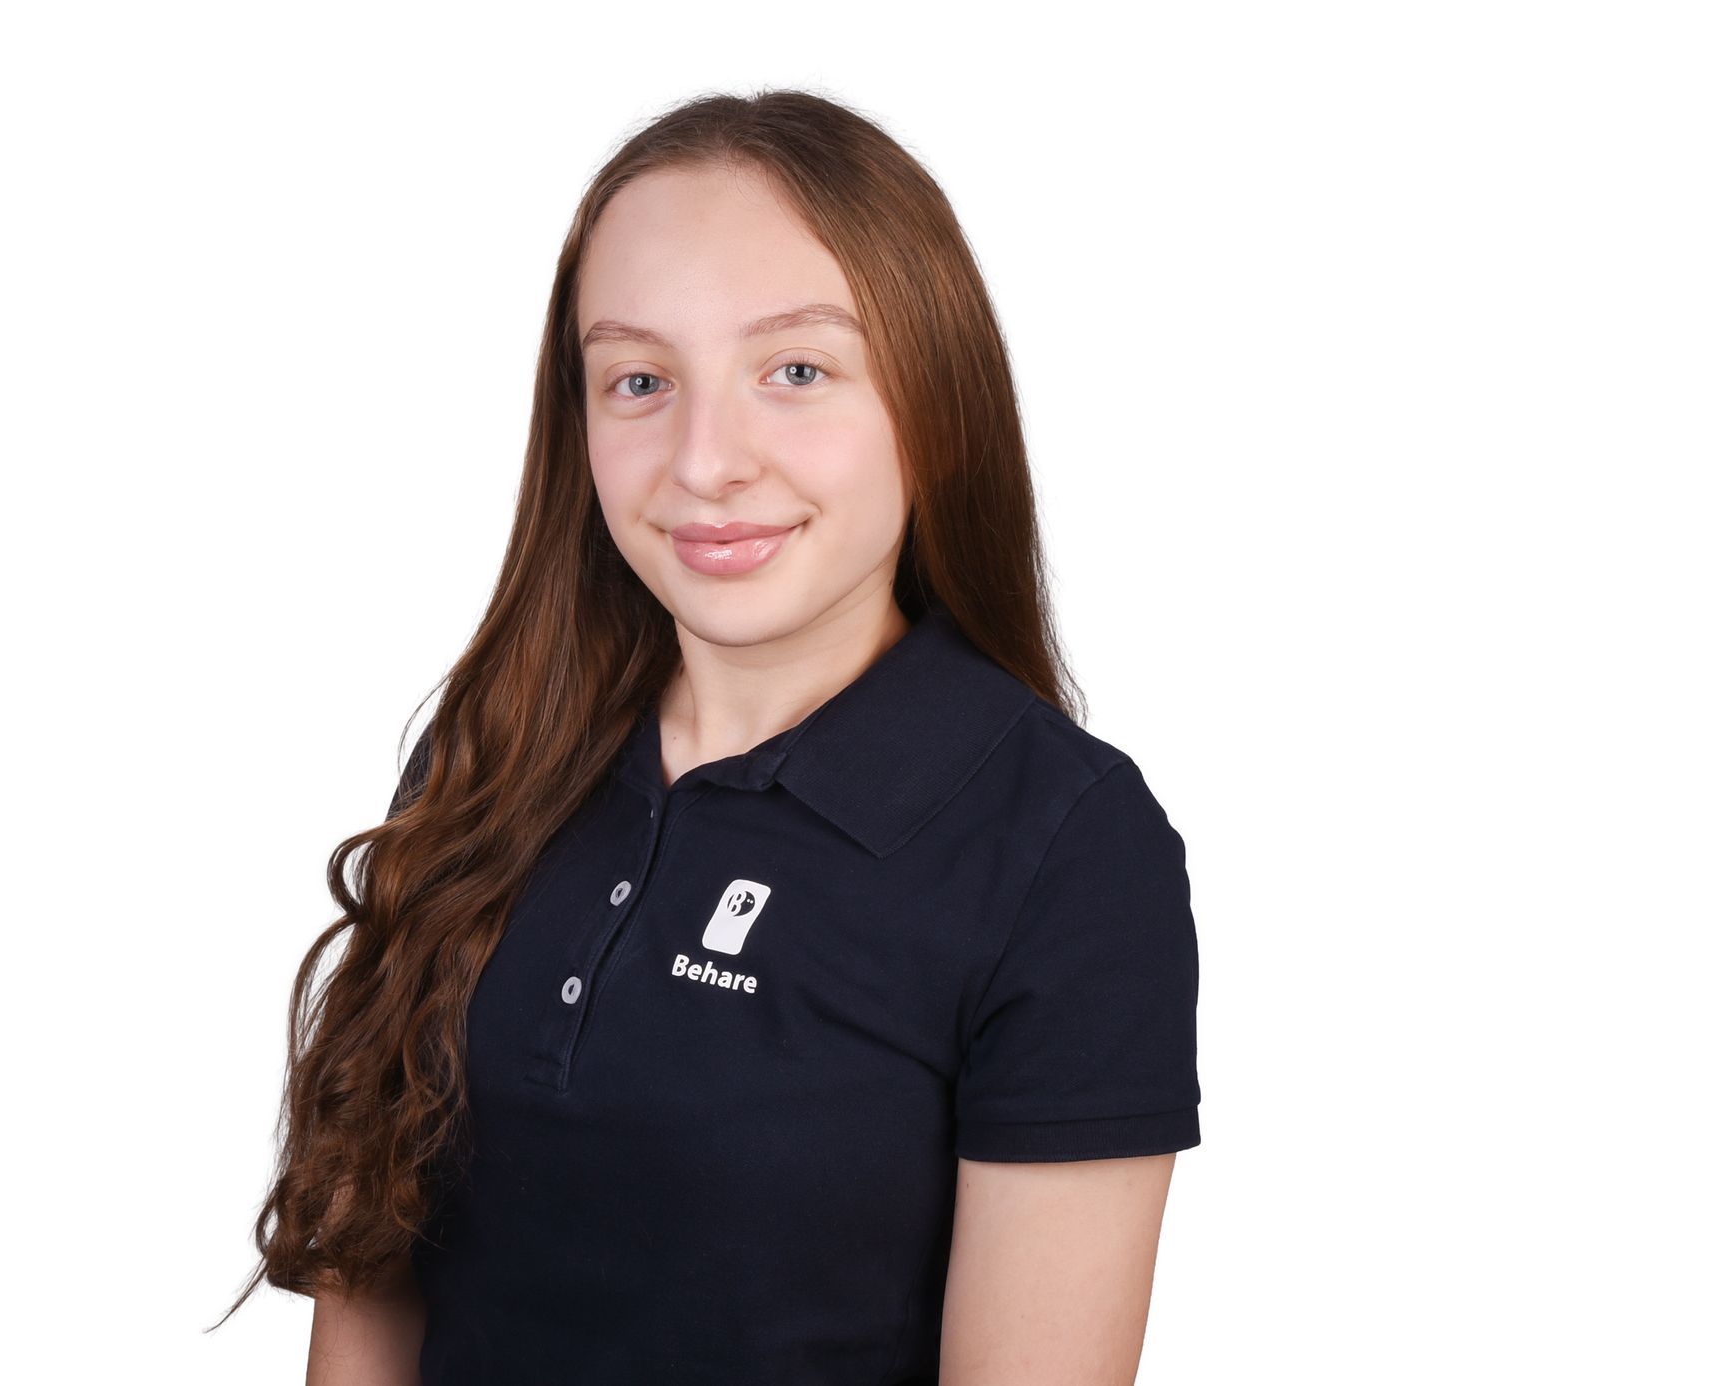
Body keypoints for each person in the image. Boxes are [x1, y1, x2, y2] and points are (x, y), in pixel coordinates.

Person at [219, 88, 1202, 1385]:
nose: (704, 461)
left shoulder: (1066, 846)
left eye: (795, 371)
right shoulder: (496, 748)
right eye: (640, 380)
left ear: (937, 401)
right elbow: (372, 1271)